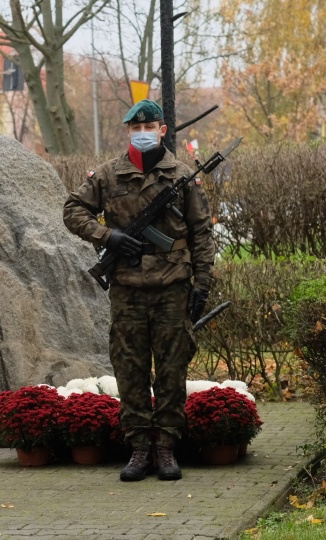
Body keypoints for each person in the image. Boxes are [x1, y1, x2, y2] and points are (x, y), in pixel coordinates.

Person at [62, 100, 216, 481]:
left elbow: (201, 234)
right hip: (127, 288)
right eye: (135, 128)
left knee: (171, 369)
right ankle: (139, 449)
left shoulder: (182, 175)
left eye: (149, 126)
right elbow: (73, 210)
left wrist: (203, 284)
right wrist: (109, 236)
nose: (142, 132)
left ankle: (165, 448)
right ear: (127, 131)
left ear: (162, 130)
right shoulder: (109, 175)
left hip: (172, 289)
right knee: (129, 370)